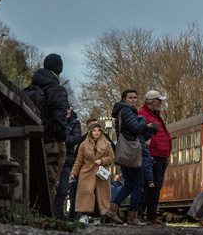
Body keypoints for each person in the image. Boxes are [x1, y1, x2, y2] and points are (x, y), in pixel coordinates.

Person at [25, 53, 71, 209]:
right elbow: (60, 117)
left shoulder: (31, 88)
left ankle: (31, 210)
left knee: (32, 177)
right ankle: (45, 212)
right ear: (59, 69)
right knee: (51, 178)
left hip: (32, 140)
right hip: (51, 141)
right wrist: (62, 138)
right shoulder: (57, 90)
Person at [106, 89, 156, 226]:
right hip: (132, 153)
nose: (133, 100)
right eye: (130, 97)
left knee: (129, 184)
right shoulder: (127, 110)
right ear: (124, 99)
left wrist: (145, 127)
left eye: (135, 97)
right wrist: (144, 121)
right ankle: (133, 217)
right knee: (138, 185)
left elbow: (132, 130)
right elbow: (135, 129)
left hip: (125, 152)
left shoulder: (121, 111)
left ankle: (113, 209)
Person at [137, 90, 171, 227]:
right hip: (152, 155)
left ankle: (151, 216)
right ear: (152, 101)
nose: (161, 102)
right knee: (148, 186)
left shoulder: (156, 115)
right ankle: (142, 215)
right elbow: (142, 134)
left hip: (161, 155)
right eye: (159, 100)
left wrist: (167, 154)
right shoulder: (143, 114)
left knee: (156, 187)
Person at [70, 119, 115, 222]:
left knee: (100, 195)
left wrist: (102, 160)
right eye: (94, 130)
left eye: (98, 130)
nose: (96, 132)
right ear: (90, 132)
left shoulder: (106, 144)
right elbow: (79, 160)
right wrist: (74, 173)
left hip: (101, 174)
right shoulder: (83, 145)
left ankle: (98, 217)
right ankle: (84, 215)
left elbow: (112, 157)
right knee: (86, 193)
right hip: (87, 173)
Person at [53, 108, 83, 220]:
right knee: (53, 187)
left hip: (67, 159)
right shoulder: (55, 120)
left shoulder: (75, 122)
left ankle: (57, 213)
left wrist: (61, 140)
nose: (67, 112)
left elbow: (76, 138)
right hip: (54, 157)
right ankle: (55, 213)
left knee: (63, 189)